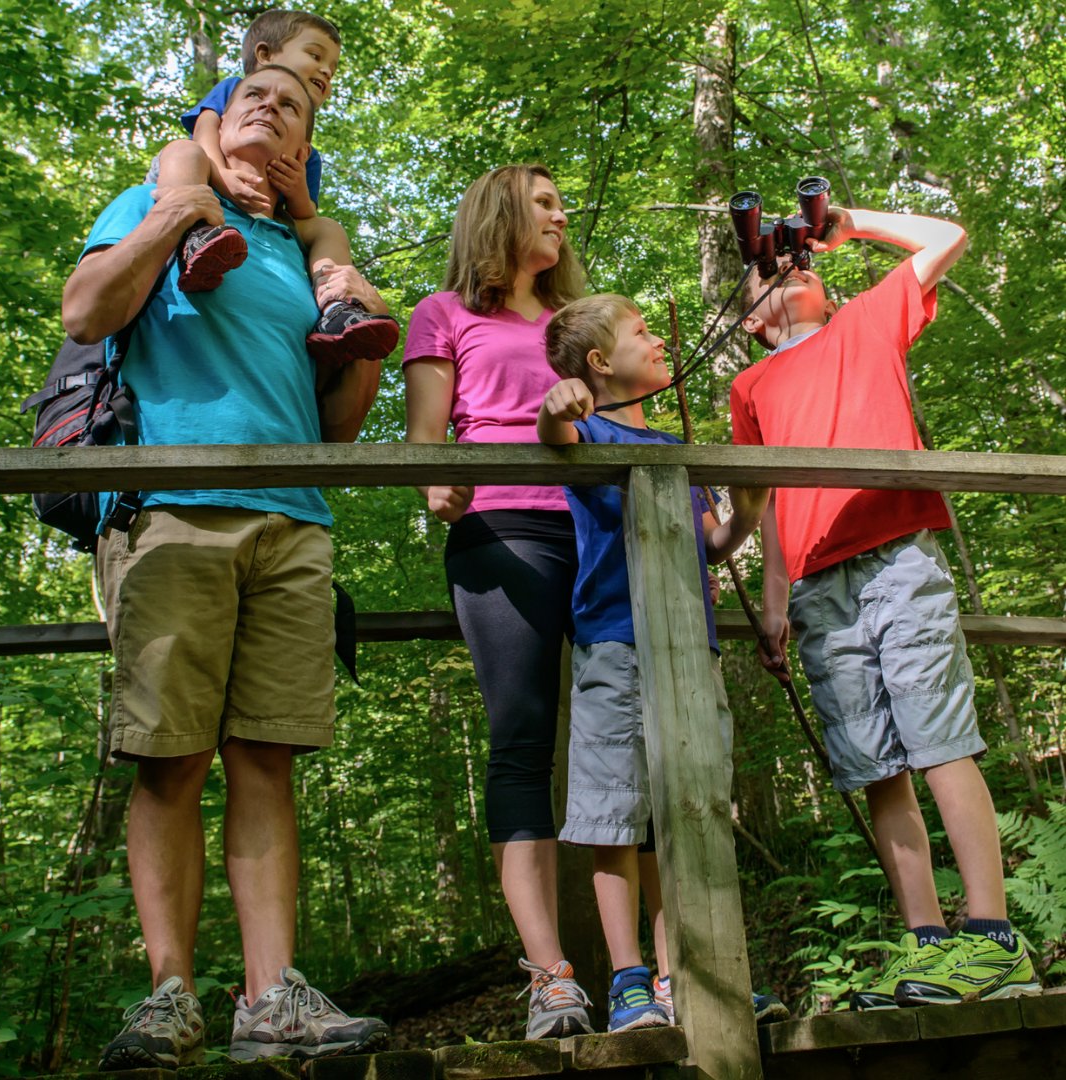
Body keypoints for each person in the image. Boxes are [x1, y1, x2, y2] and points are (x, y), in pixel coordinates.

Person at [61, 66, 388, 1068]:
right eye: (253, 94)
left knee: (266, 758)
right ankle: (169, 994)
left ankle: (270, 996)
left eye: (292, 106)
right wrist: (177, 214)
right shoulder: (153, 199)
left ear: (302, 152)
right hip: (171, 511)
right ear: (215, 120)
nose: (270, 106)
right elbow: (85, 312)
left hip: (294, 523)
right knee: (170, 758)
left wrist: (365, 334)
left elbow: (336, 426)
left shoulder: (306, 255)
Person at [729, 204, 1041, 1008]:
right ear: (752, 322)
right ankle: (926, 944)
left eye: (796, 261)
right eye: (766, 269)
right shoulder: (750, 386)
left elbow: (949, 238)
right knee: (875, 763)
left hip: (898, 554)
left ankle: (993, 939)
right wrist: (774, 604)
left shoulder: (866, 321)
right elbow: (765, 503)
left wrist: (845, 223)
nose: (786, 267)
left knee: (938, 739)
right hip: (816, 585)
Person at [538, 294, 784, 1030]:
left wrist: (747, 511)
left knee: (692, 802)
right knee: (614, 811)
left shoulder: (676, 445)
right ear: (599, 362)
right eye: (642, 332)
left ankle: (689, 976)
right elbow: (553, 435)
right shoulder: (587, 431)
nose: (658, 340)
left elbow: (713, 543)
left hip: (690, 648)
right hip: (614, 644)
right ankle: (629, 980)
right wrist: (556, 404)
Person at [403, 165, 593, 1039]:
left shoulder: (577, 321)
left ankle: (658, 971)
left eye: (561, 204)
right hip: (503, 532)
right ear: (501, 212)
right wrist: (435, 485)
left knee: (635, 733)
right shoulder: (443, 313)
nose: (560, 215)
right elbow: (426, 441)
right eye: (544, 202)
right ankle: (551, 979)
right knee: (522, 741)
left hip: (600, 528)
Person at [152, 8, 399, 365]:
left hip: (260, 217)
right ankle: (195, 236)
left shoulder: (306, 152)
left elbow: (304, 216)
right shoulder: (236, 90)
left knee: (328, 228)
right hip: (203, 184)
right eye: (315, 55)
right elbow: (204, 131)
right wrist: (221, 176)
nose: (326, 71)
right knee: (183, 151)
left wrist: (297, 191)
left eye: (332, 68)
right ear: (265, 55)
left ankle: (337, 305)